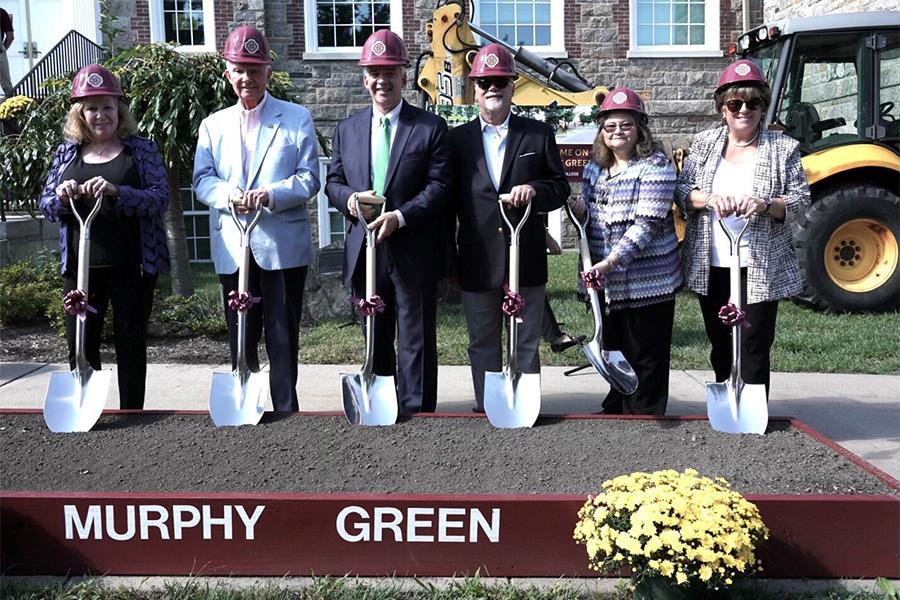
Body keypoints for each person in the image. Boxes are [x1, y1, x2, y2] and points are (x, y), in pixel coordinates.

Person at [193, 25, 320, 413]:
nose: (247, 77)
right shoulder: (212, 125)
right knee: (241, 331)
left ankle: (284, 406)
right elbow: (202, 179)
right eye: (239, 69)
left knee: (282, 334)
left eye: (255, 69)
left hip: (280, 244)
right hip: (234, 242)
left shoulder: (296, 118)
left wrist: (270, 194)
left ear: (268, 71)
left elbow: (310, 178)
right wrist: (230, 195)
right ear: (227, 72)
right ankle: (245, 404)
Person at [326, 29, 450, 414]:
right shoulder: (347, 130)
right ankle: (381, 407)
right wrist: (350, 202)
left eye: (390, 72)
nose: (382, 80)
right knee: (374, 333)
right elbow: (333, 183)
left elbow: (439, 186)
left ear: (403, 77)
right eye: (374, 73)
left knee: (415, 338)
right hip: (366, 251)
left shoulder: (430, 128)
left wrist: (399, 216)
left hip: (412, 248)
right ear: (365, 79)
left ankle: (417, 411)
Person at [675, 60, 810, 396]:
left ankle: (752, 408)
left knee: (752, 342)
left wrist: (765, 204)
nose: (744, 110)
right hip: (713, 261)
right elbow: (682, 191)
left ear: (763, 106)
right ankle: (727, 399)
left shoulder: (783, 149)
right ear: (723, 109)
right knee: (720, 340)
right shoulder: (705, 143)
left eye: (754, 102)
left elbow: (800, 201)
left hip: (759, 264)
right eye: (735, 103)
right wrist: (708, 199)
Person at [38, 64, 169, 409]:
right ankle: (86, 409)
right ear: (80, 114)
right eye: (92, 108)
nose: (101, 115)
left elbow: (159, 198)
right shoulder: (67, 152)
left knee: (130, 342)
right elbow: (46, 204)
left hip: (131, 265)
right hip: (81, 268)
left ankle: (131, 411)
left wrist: (117, 191)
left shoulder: (141, 150)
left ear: (119, 109)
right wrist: (63, 195)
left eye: (108, 106)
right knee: (80, 341)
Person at [448, 43, 570, 412]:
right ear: (475, 88)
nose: (492, 88)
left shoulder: (537, 134)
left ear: (512, 84)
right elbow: (447, 200)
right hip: (477, 257)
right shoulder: (457, 141)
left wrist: (534, 189)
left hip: (526, 255)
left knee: (526, 338)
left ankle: (523, 403)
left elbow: (559, 187)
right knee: (482, 340)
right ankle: (489, 405)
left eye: (500, 80)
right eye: (484, 81)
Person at [569, 87, 681, 415]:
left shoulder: (655, 166)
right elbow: (591, 218)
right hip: (607, 284)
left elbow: (646, 225)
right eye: (610, 126)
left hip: (649, 282)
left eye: (625, 124)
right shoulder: (595, 169)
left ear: (640, 129)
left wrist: (609, 263)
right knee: (613, 349)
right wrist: (579, 210)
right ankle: (618, 408)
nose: (617, 131)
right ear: (601, 131)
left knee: (646, 355)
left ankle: (645, 415)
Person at [0, 8, 14, 100]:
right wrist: (3, 49)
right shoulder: (1, 13)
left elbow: (10, 37)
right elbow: (10, 36)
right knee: (7, 88)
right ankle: (13, 111)